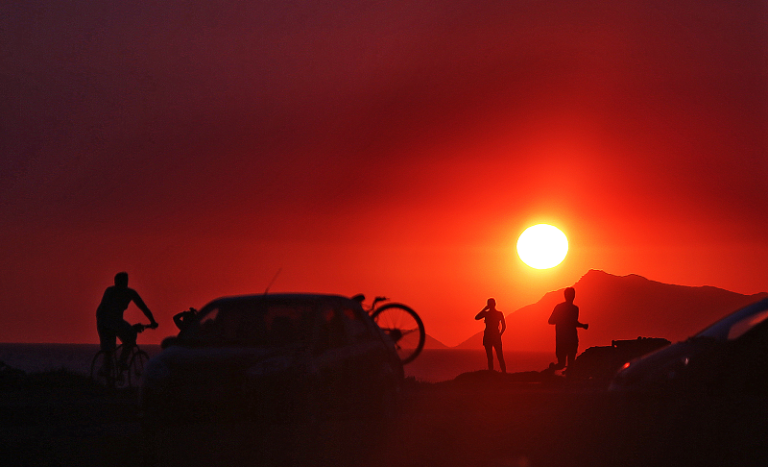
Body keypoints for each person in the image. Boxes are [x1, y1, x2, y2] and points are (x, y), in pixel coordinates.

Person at [96, 272, 158, 369]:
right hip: (107, 320)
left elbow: (143, 307)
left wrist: (152, 320)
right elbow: (143, 308)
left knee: (109, 349)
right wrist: (153, 322)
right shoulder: (119, 292)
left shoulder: (118, 291)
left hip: (105, 320)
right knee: (130, 336)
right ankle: (121, 362)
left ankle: (108, 370)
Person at [548, 287, 588, 370]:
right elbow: (551, 321)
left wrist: (582, 325)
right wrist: (582, 325)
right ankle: (551, 370)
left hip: (569, 340)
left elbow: (573, 322)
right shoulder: (570, 308)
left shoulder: (574, 308)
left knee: (568, 364)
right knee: (563, 364)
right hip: (565, 340)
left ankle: (560, 375)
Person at [475, 298, 507, 373]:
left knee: (491, 357)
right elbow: (504, 326)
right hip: (494, 335)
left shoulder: (488, 313)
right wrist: (500, 334)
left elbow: (477, 317)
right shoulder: (497, 313)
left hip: (489, 335)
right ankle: (502, 373)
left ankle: (492, 373)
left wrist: (485, 308)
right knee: (499, 356)